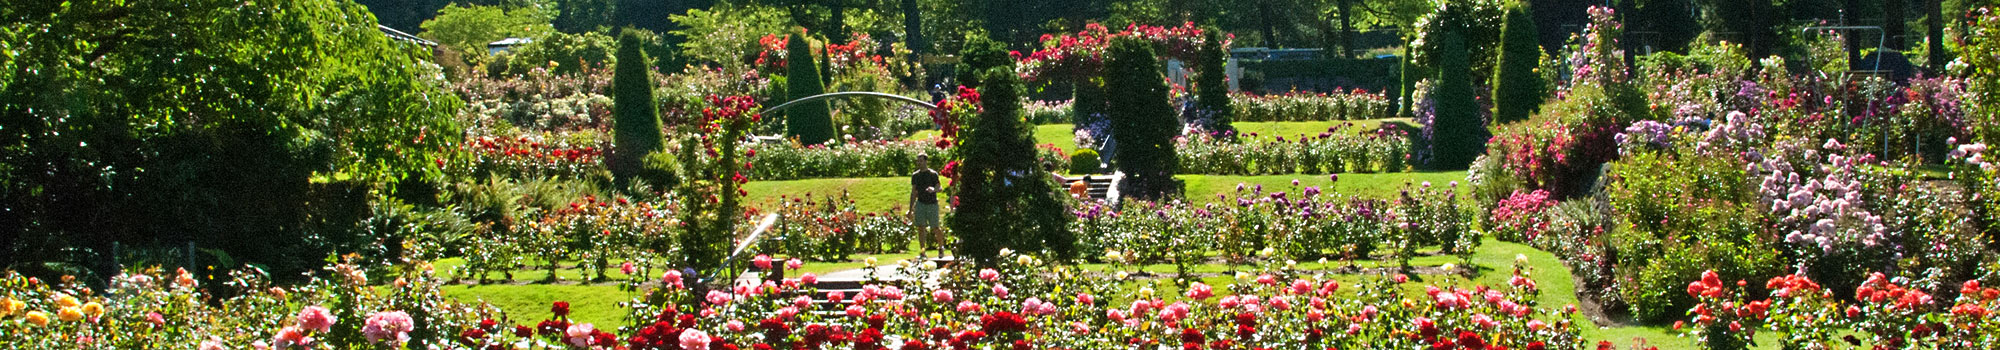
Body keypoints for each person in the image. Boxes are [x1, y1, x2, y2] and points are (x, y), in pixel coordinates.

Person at [910, 154, 944, 258]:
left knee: (935, 227)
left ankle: (941, 247)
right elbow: (913, 192)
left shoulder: (933, 174)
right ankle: (923, 251)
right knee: (921, 228)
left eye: (921, 161)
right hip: (920, 203)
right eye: (918, 161)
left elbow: (939, 187)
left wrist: (933, 189)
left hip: (932, 204)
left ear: (925, 162)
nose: (919, 163)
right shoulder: (915, 175)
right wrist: (910, 208)